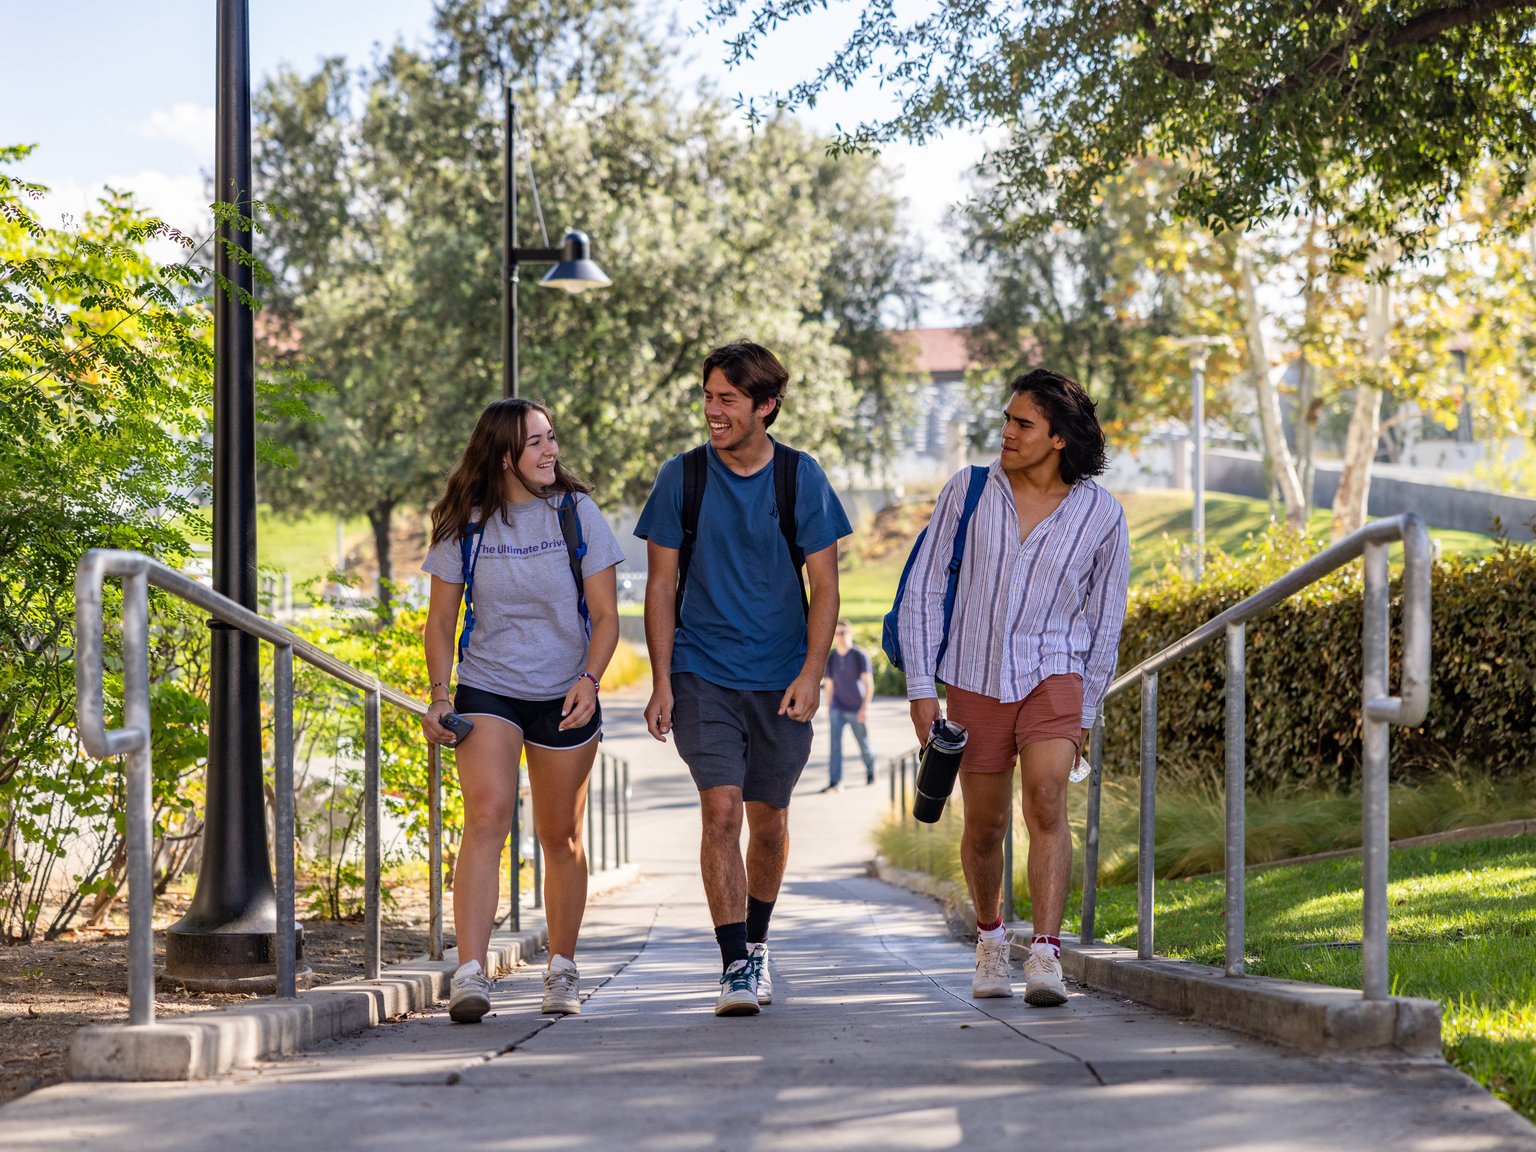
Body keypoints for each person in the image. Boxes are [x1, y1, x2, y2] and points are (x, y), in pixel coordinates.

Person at [898, 368, 1130, 1007]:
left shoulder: (1101, 516)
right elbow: (924, 589)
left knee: (1047, 799)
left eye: (1023, 423)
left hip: (1054, 673)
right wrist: (921, 688)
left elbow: (1106, 619)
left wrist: (1085, 709)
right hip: (974, 676)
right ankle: (991, 938)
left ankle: (1048, 955)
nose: (1007, 432)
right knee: (985, 824)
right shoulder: (969, 491)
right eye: (1006, 419)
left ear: (1059, 438)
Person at [637, 340, 852, 1017]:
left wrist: (813, 673)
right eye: (707, 396)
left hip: (781, 678)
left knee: (770, 821)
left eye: (727, 399)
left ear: (766, 406)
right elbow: (660, 584)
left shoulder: (800, 477)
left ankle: (757, 942)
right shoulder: (681, 477)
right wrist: (662, 680)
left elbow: (825, 585)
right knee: (721, 811)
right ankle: (734, 964)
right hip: (702, 670)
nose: (712, 410)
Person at [421, 397, 626, 1022]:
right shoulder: (466, 523)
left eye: (551, 438)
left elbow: (607, 616)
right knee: (486, 815)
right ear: (505, 455)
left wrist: (590, 679)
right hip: (490, 685)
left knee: (559, 835)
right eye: (536, 441)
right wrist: (440, 694)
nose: (550, 450)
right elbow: (440, 621)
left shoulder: (576, 514)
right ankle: (470, 973)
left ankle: (562, 968)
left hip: (566, 691)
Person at [820, 620, 877, 791]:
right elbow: (829, 685)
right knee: (835, 746)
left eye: (843, 633)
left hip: (856, 708)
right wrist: (829, 708)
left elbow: (869, 684)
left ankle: (871, 771)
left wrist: (864, 708)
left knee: (863, 743)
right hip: (837, 708)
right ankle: (835, 781)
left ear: (850, 633)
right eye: (837, 633)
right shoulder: (832, 658)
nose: (840, 636)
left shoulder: (859, 656)